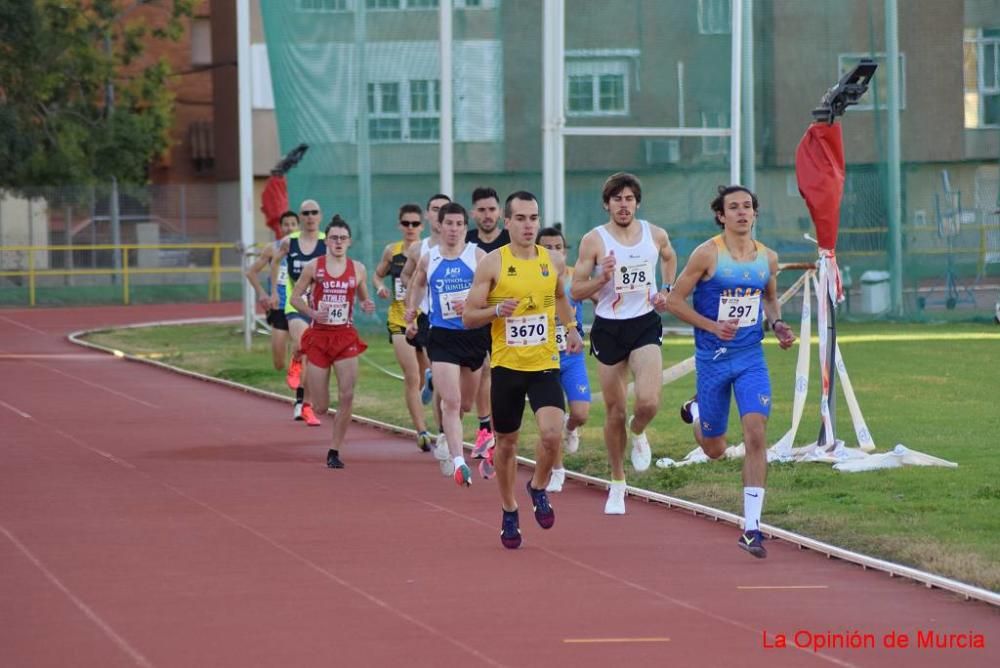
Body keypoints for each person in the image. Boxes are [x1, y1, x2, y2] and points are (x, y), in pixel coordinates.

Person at [665, 185, 795, 558]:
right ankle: (698, 412)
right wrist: (711, 326)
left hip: (750, 357)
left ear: (755, 214)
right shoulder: (707, 254)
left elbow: (769, 298)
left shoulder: (767, 258)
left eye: (747, 207)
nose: (742, 212)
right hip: (713, 360)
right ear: (721, 215)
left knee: (756, 433)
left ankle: (752, 528)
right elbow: (674, 301)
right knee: (715, 449)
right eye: (733, 207)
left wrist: (778, 325)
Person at [464, 192, 583, 549]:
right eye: (521, 218)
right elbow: (469, 316)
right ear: (507, 222)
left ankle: (537, 486)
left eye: (533, 218)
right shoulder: (492, 264)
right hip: (506, 366)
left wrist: (573, 327)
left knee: (551, 435)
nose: (529, 225)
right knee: (507, 444)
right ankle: (509, 509)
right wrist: (497, 312)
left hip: (545, 362)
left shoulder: (554, 260)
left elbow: (559, 296)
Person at [571, 172, 677, 515]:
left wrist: (667, 290)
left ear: (637, 203)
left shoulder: (654, 233)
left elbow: (669, 256)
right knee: (614, 410)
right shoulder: (594, 240)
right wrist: (602, 277)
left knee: (647, 402)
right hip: (608, 329)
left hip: (644, 323)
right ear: (607, 204)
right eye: (617, 199)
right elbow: (576, 290)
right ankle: (617, 482)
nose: (623, 205)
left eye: (629, 198)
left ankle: (639, 430)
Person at [405, 202, 488, 486]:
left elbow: (496, 290)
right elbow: (417, 283)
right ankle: (459, 461)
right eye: (448, 224)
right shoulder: (430, 258)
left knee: (465, 403)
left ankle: (447, 435)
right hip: (442, 336)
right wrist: (412, 313)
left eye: (458, 224)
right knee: (451, 403)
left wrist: (479, 304)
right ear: (440, 226)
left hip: (473, 336)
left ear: (466, 227)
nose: (453, 229)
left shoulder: (478, 256)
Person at [289, 215, 375, 469]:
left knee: (347, 396)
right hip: (318, 337)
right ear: (327, 241)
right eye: (334, 238)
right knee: (321, 406)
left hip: (345, 336)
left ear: (349, 242)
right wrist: (313, 313)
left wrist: (367, 304)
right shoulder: (313, 267)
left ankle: (334, 450)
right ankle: (297, 363)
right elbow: (295, 298)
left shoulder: (358, 269)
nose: (338, 242)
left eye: (343, 238)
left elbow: (363, 298)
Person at [373, 203, 432, 452]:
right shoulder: (392, 251)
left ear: (422, 226)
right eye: (406, 223)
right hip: (399, 319)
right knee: (412, 375)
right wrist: (380, 287)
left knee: (429, 375)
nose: (410, 228)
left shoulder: (429, 250)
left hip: (425, 319)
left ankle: (427, 393)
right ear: (400, 225)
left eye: (415, 224)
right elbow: (377, 274)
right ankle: (422, 431)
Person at [536, 226, 591, 493]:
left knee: (580, 413)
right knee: (551, 422)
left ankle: (572, 428)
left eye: (558, 247)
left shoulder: (574, 278)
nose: (553, 252)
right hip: (542, 359)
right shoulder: (533, 277)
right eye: (547, 247)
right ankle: (558, 471)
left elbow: (600, 295)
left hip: (572, 357)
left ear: (565, 250)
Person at [465, 187, 511, 462]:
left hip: (508, 319)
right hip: (480, 316)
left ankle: (502, 432)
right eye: (481, 210)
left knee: (501, 376)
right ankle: (485, 429)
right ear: (473, 213)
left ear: (500, 213)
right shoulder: (468, 243)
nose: (487, 215)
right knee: (483, 371)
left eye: (492, 209)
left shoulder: (509, 240)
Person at [271, 200, 327, 426]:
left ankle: (307, 406)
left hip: (320, 307)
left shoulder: (328, 241)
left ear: (320, 216)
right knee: (305, 343)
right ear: (301, 217)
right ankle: (295, 359)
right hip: (296, 304)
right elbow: (275, 263)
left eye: (314, 212)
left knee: (313, 358)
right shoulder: (289, 242)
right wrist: (275, 290)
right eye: (306, 213)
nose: (310, 217)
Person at [402, 194, 451, 408]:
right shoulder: (417, 249)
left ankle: (435, 380)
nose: (439, 213)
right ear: (427, 214)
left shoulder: (461, 246)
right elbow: (405, 275)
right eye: (435, 208)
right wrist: (414, 288)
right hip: (426, 314)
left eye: (444, 208)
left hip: (452, 315)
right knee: (437, 366)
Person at [245, 210, 299, 372]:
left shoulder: (307, 249)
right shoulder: (272, 249)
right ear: (281, 228)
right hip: (279, 307)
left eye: (293, 224)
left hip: (299, 306)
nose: (289, 228)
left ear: (298, 227)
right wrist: (262, 293)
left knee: (299, 348)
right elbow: (251, 272)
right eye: (286, 225)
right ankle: (290, 367)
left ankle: (297, 374)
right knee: (278, 362)